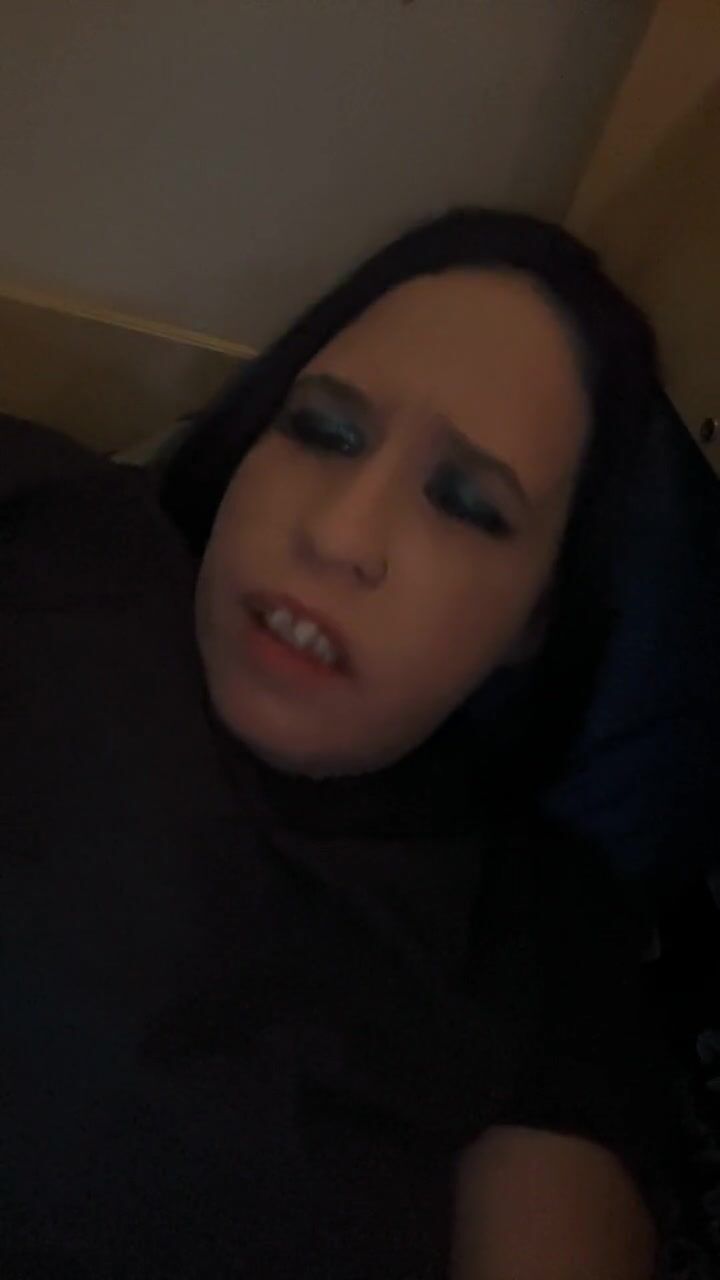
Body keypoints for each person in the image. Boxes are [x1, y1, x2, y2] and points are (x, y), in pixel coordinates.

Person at [1, 210, 687, 1278]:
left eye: (466, 504)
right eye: (323, 432)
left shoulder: (533, 926)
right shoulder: (61, 529)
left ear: (537, 616)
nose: (339, 534)